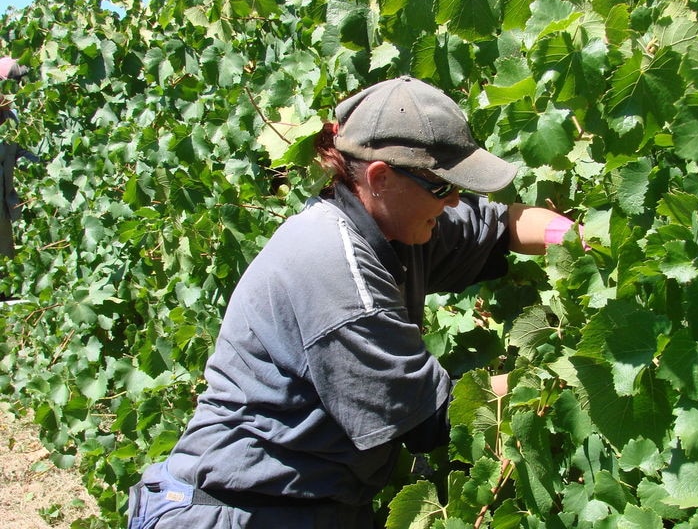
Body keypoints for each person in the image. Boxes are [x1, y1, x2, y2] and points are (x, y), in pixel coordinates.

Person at [128, 77, 583, 529]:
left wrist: (583, 244)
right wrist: (572, 374)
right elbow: (437, 415)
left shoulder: (404, 222)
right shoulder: (335, 268)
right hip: (236, 513)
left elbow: (502, 226)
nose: (456, 199)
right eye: (444, 187)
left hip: (311, 508)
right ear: (380, 177)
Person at [1, 94, 38, 262]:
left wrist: (38, 165)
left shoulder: (11, 119)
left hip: (3, 207)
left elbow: (19, 151)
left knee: (5, 259)